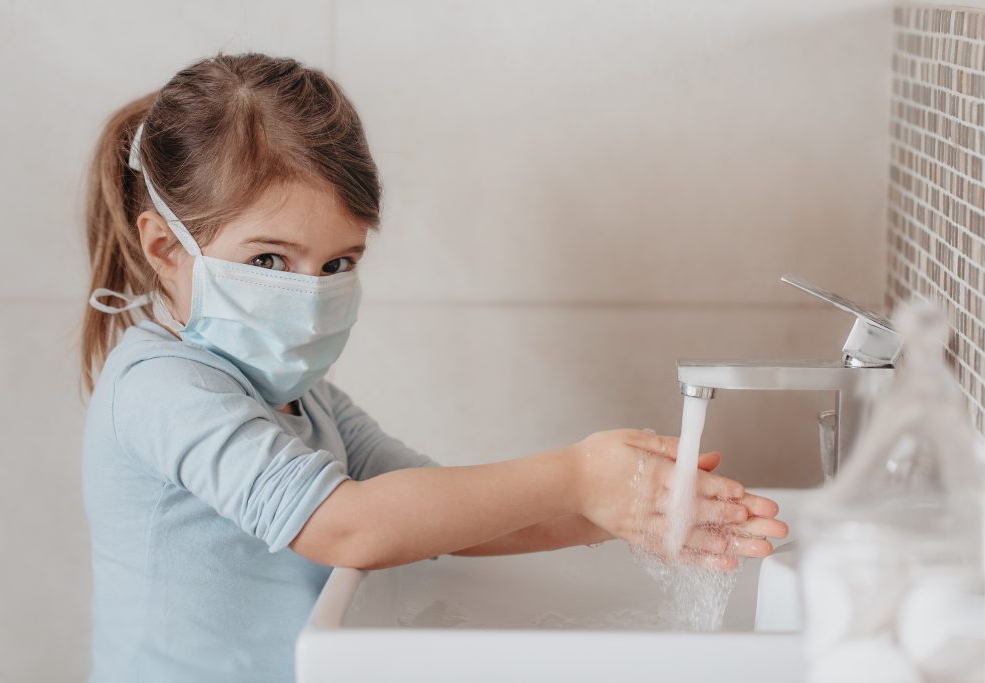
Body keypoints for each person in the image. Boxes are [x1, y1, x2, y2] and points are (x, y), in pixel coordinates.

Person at [80, 52, 788, 683]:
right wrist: (578, 473)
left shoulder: (303, 398)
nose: (309, 292)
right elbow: (346, 525)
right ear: (166, 250)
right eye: (270, 260)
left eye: (338, 263)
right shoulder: (159, 386)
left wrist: (616, 510)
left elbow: (438, 515)